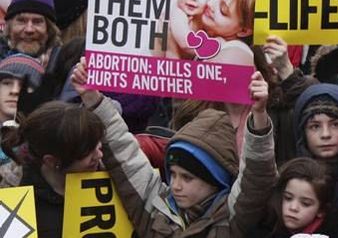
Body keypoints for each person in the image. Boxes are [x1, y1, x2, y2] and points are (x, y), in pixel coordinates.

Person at [71, 64, 277, 238]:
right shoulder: (154, 207)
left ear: (215, 179)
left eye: (187, 178)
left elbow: (257, 178)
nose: (175, 186)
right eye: (173, 174)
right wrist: (92, 97)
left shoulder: (231, 217)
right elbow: (124, 153)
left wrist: (258, 116)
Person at [0, 100, 104, 238]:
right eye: (87, 153)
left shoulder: (113, 174)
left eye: (97, 146)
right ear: (52, 161)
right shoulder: (14, 203)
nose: (99, 155)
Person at [291, 84, 338, 236]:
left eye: (335, 124)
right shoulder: (289, 183)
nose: (326, 134)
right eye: (315, 126)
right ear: (302, 133)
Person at [263, 158, 334, 237]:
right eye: (288, 198)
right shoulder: (263, 230)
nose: (293, 208)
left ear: (321, 210)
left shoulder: (331, 233)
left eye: (305, 203)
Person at [0, 0, 61, 69]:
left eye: (37, 22)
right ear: (9, 26)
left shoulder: (61, 66)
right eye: (21, 21)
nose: (29, 29)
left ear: (49, 29)